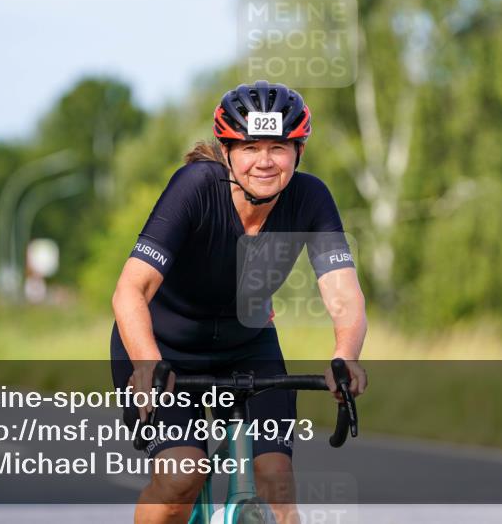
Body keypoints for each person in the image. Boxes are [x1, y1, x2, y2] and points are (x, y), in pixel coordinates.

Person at [111, 80, 368, 524]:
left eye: (279, 147)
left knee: (277, 481)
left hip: (249, 347)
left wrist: (345, 356)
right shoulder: (195, 187)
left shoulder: (311, 198)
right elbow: (130, 290)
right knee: (181, 477)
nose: (265, 162)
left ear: (298, 151)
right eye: (250, 147)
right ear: (227, 151)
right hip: (164, 350)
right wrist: (147, 363)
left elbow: (343, 292)